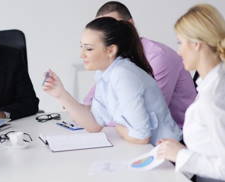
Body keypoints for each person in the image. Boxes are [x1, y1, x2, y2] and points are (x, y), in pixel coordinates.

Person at [43, 17, 182, 145]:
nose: (82, 55)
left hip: (167, 155)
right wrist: (60, 94)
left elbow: (141, 137)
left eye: (89, 49)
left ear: (110, 50)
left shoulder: (123, 75)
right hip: (148, 151)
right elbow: (94, 124)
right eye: (82, 47)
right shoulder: (105, 74)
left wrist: (119, 127)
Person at [84, 1, 197, 128]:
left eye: (115, 26)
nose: (109, 35)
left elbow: (147, 115)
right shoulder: (114, 58)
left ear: (130, 24)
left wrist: (97, 116)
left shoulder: (159, 57)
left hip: (177, 137)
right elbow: (90, 102)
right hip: (136, 135)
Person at [157, 4, 225, 182]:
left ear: (196, 44)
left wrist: (179, 155)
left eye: (180, 43)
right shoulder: (213, 83)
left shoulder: (212, 98)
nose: (178, 51)